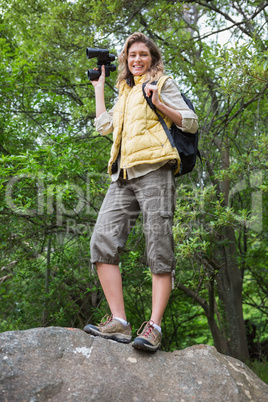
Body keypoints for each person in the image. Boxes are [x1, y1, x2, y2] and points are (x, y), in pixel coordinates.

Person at [83, 32, 198, 352]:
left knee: (158, 247)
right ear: (125, 60)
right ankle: (119, 321)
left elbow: (191, 121)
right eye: (132, 55)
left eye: (143, 55)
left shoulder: (162, 83)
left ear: (152, 59)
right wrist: (99, 90)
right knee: (102, 241)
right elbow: (104, 126)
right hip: (122, 175)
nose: (137, 60)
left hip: (156, 171)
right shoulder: (125, 91)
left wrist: (160, 103)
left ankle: (154, 327)